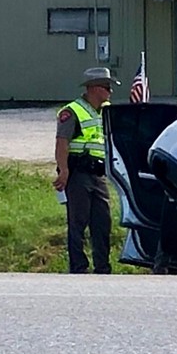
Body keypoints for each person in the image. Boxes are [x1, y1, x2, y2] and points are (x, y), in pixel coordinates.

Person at [53, 66, 119, 274]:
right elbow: (62, 142)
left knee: (102, 223)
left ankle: (103, 267)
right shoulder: (72, 112)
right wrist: (63, 170)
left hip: (98, 175)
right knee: (78, 223)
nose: (110, 91)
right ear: (92, 88)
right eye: (106, 87)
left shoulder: (107, 110)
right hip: (78, 174)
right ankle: (78, 268)